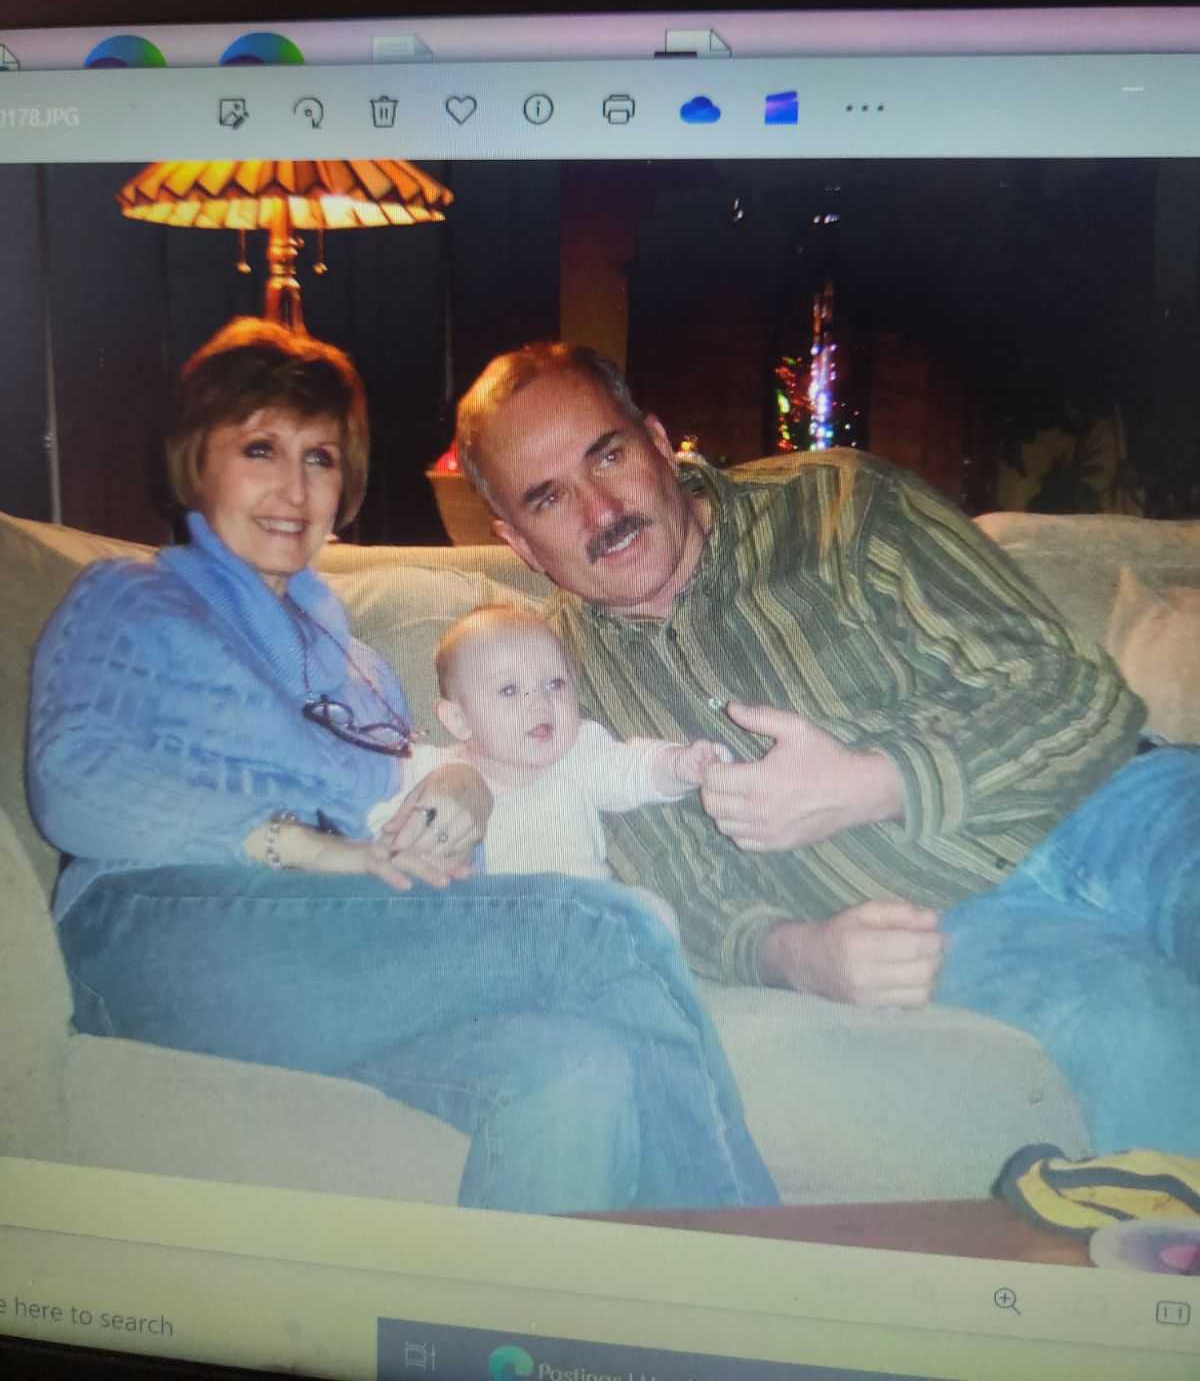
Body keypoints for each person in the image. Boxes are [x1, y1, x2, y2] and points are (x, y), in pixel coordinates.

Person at [26, 317, 777, 1216]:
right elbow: (78, 787)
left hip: (339, 958)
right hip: (159, 935)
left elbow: (405, 819)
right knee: (605, 928)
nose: (294, 487)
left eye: (320, 458)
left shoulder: (360, 669)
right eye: (260, 449)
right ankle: (755, 1268)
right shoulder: (135, 599)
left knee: (576, 1070)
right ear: (198, 462)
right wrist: (299, 845)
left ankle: (517, 1313)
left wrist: (461, 785)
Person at [455, 341, 1200, 1155]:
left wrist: (877, 782)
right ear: (518, 542)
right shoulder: (554, 684)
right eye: (549, 499)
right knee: (1148, 1060)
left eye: (609, 456)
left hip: (1123, 807)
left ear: (659, 442)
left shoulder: (842, 504)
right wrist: (800, 954)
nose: (602, 512)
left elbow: (1072, 685)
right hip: (961, 927)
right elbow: (675, 884)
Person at [368, 603, 731, 932]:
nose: (539, 702)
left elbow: (633, 769)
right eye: (509, 690)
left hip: (579, 920)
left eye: (555, 684)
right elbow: (374, 822)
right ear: (458, 719)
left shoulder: (577, 754)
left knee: (650, 913)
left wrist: (679, 764)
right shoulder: (431, 772)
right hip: (488, 930)